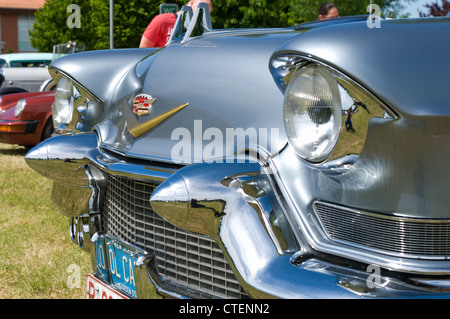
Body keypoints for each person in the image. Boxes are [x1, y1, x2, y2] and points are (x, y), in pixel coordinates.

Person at [139, 0, 212, 48]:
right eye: (201, 11)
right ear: (191, 3)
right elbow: (143, 49)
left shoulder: (198, 29)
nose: (202, 17)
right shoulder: (162, 20)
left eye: (207, 14)